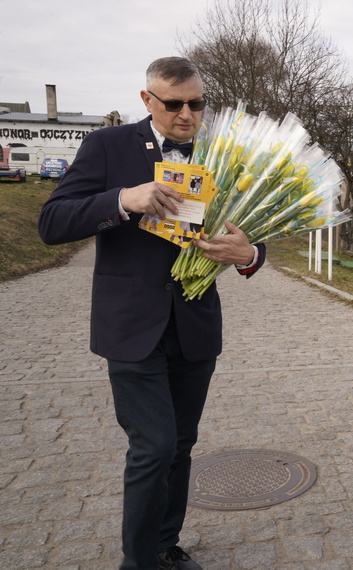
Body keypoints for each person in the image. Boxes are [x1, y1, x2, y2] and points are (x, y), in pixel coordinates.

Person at [38, 56, 267, 570]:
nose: (187, 115)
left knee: (180, 445)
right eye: (174, 104)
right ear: (147, 99)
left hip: (194, 326)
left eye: (197, 104)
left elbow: (254, 227)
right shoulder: (107, 145)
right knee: (154, 446)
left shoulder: (222, 153)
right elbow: (51, 222)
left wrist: (248, 254)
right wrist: (123, 199)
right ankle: (138, 562)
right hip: (131, 326)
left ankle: (165, 545)